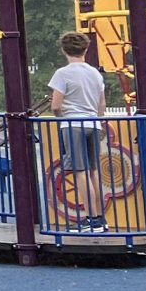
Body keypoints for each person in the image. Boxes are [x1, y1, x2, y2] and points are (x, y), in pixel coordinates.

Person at [48, 30, 109, 215]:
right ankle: (99, 215)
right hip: (93, 123)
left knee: (80, 171)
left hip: (73, 124)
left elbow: (56, 106)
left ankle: (90, 217)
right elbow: (102, 103)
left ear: (63, 50)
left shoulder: (62, 74)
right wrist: (98, 120)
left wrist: (61, 120)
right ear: (86, 49)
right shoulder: (95, 74)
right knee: (93, 171)